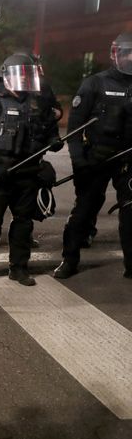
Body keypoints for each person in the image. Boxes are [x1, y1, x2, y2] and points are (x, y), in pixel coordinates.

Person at [0, 53, 61, 288]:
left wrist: (54, 139)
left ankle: (18, 267)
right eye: (19, 74)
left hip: (28, 173)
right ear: (6, 76)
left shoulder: (37, 102)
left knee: (24, 224)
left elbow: (49, 127)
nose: (23, 80)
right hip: (0, 172)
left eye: (27, 75)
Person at [54, 32, 132, 279]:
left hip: (128, 160)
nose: (130, 58)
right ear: (114, 54)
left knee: (131, 213)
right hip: (95, 160)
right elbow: (74, 130)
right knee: (84, 211)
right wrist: (79, 162)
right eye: (126, 53)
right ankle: (69, 259)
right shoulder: (94, 84)